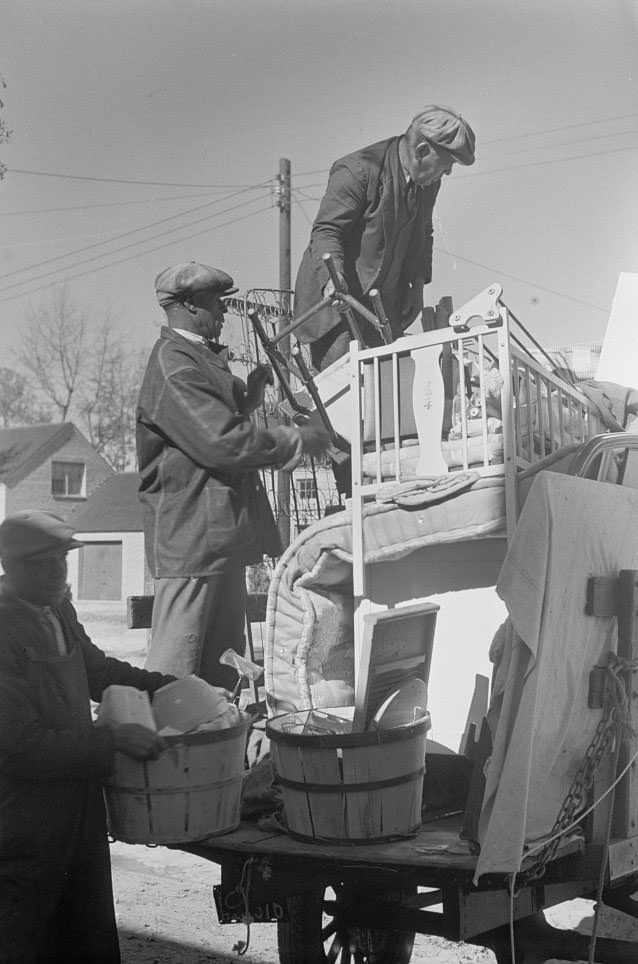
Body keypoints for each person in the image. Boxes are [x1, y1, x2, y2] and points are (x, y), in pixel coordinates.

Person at [136, 261, 329, 690]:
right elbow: (219, 443)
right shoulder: (175, 365)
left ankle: (217, 754)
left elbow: (208, 434)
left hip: (214, 540)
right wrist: (294, 442)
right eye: (214, 304)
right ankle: (167, 753)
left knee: (222, 675)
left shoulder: (197, 359)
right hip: (190, 545)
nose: (223, 313)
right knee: (174, 681)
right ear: (187, 305)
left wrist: (248, 401)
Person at [0, 510, 176, 964]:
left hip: (79, 809)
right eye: (43, 562)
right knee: (27, 937)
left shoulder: (57, 609)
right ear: (10, 565)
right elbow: (22, 747)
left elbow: (97, 670)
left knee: (86, 933)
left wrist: (169, 686)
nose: (58, 570)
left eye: (62, 558)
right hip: (23, 821)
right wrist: (114, 739)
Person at [293, 104, 476, 371]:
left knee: (387, 393)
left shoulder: (428, 182)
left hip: (383, 308)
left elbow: (425, 232)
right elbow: (327, 231)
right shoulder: (357, 170)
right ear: (422, 151)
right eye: (446, 165)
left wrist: (417, 285)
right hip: (340, 309)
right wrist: (333, 281)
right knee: (346, 395)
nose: (447, 173)